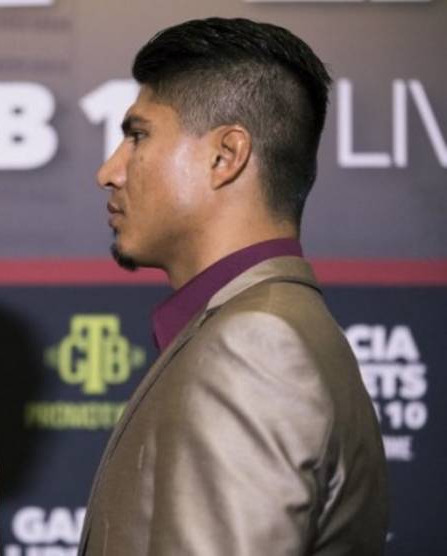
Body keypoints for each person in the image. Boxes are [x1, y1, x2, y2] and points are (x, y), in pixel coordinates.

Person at [79, 18, 388, 555]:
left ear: (226, 156)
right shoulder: (272, 327)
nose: (109, 171)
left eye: (137, 135)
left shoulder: (256, 345)